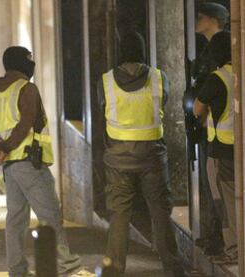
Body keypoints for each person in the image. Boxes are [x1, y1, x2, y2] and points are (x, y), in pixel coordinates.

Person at [0, 46, 94, 277]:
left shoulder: (0, 94)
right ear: (20, 63)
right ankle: (69, 266)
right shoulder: (26, 89)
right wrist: (6, 147)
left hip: (10, 167)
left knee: (15, 220)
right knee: (50, 215)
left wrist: (0, 150)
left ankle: (17, 271)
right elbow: (25, 123)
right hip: (29, 163)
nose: (32, 63)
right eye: (29, 59)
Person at [98, 32, 185, 276]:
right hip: (152, 156)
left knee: (119, 215)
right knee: (160, 212)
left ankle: (114, 270)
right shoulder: (158, 78)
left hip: (117, 157)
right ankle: (173, 269)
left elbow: (101, 109)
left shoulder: (105, 81)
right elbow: (164, 102)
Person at [194, 31, 237, 264]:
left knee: (226, 201)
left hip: (222, 150)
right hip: (238, 148)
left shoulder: (218, 78)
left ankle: (234, 250)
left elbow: (197, 108)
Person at [190, 2, 229, 255]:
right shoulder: (207, 50)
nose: (196, 19)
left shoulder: (221, 50)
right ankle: (215, 236)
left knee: (220, 189)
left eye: (200, 16)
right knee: (213, 186)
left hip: (219, 130)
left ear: (214, 19)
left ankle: (222, 240)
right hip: (211, 129)